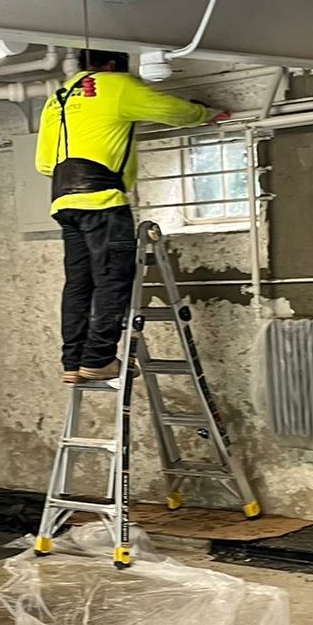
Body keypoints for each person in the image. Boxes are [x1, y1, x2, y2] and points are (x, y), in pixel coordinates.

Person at [35, 50, 224, 382]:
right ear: (112, 65)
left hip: (63, 202)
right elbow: (170, 110)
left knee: (79, 284)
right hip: (103, 198)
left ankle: (73, 362)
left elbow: (44, 165)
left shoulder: (58, 98)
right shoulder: (115, 84)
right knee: (113, 278)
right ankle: (98, 359)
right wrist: (204, 114)